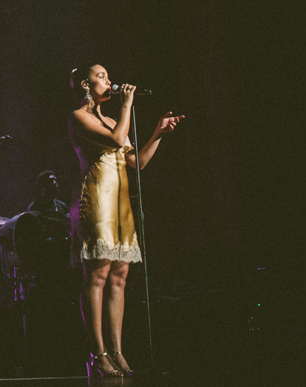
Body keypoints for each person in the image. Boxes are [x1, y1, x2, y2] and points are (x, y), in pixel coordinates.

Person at [68, 65, 183, 378]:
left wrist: (158, 133)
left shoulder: (111, 121)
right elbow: (118, 140)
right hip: (96, 200)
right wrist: (127, 105)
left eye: (108, 76)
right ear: (85, 84)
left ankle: (117, 351)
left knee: (119, 276)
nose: (109, 81)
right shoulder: (79, 118)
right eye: (101, 77)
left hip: (120, 203)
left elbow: (136, 161)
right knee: (98, 275)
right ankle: (98, 353)